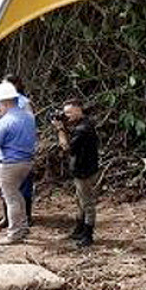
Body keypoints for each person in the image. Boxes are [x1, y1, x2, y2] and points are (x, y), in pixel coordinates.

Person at [0, 81, 37, 245]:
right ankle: (23, 226)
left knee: (11, 199)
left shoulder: (4, 122)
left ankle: (14, 233)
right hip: (26, 162)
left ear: (5, 102)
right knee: (18, 195)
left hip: (10, 164)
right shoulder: (29, 117)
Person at [56, 100, 100, 248]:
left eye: (68, 113)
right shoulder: (84, 125)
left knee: (87, 203)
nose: (66, 116)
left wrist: (60, 130)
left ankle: (88, 235)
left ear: (78, 110)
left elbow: (67, 148)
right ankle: (80, 230)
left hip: (84, 171)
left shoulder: (83, 129)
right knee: (80, 201)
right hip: (85, 169)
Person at [3, 73, 36, 225]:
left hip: (21, 150)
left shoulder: (24, 103)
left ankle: (26, 217)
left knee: (24, 186)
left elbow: (30, 126)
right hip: (5, 150)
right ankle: (8, 218)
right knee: (8, 188)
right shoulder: (1, 102)